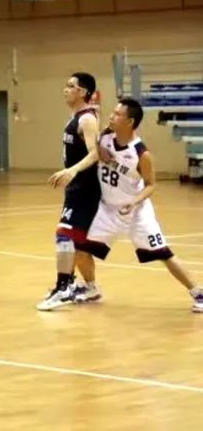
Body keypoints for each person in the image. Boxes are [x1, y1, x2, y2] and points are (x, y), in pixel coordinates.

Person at [77, 99, 203, 311]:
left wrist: (134, 201)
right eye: (113, 112)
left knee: (163, 254)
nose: (112, 116)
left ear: (130, 122)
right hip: (108, 210)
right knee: (80, 250)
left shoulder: (141, 153)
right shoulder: (105, 136)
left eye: (118, 114)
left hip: (137, 212)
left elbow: (151, 184)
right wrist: (98, 148)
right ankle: (91, 288)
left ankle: (198, 293)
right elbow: (83, 134)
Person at [42, 73, 102, 310]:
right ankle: (90, 288)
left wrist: (72, 170)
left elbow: (95, 153)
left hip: (85, 188)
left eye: (71, 86)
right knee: (78, 244)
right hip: (76, 188)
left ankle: (64, 287)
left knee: (64, 234)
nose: (65, 89)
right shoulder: (76, 117)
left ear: (83, 92)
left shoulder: (87, 119)